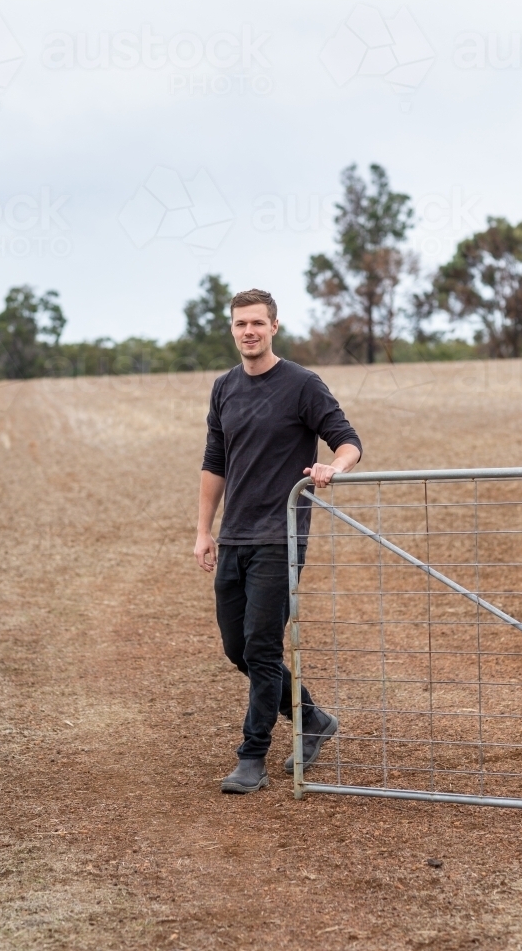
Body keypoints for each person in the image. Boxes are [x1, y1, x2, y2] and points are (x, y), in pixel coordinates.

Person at [194, 289, 362, 794]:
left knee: (262, 649)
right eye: (240, 323)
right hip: (236, 535)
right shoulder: (224, 388)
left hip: (281, 536)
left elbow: (348, 440)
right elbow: (214, 462)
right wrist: (204, 531)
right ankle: (311, 718)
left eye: (257, 323)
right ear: (232, 329)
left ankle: (252, 758)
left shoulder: (302, 385)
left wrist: (333, 467)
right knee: (238, 648)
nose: (249, 331)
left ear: (274, 327)